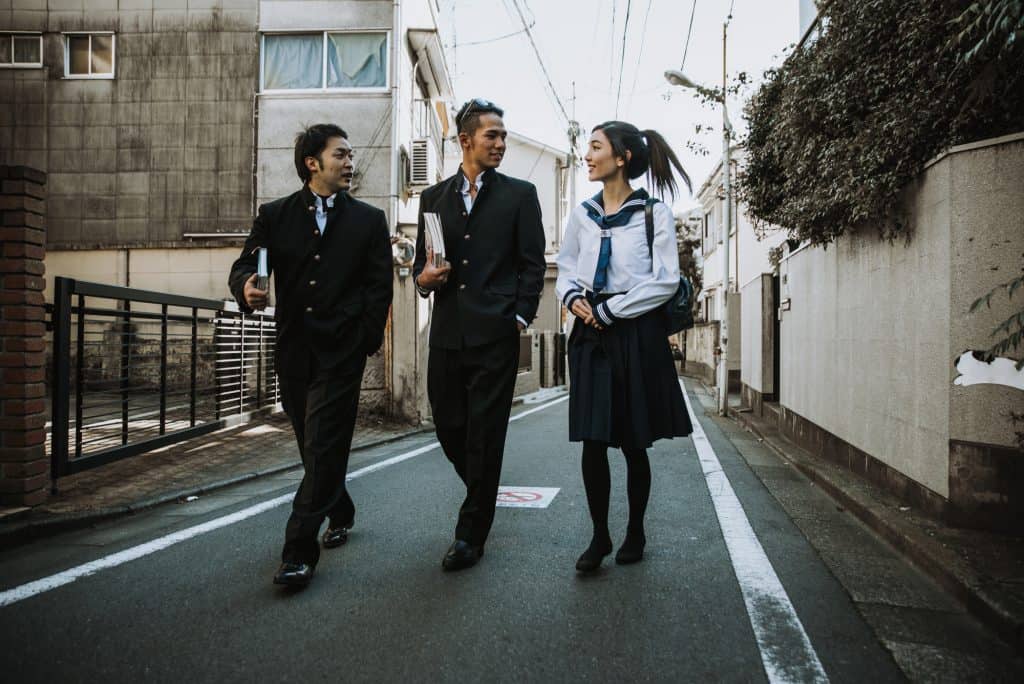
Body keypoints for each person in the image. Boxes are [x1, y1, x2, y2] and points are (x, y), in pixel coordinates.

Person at [228, 124, 393, 588]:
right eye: (341, 154)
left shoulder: (368, 220)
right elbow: (247, 263)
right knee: (310, 441)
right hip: (295, 348)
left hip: (343, 350)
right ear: (312, 163)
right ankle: (339, 506)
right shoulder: (275, 215)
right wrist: (245, 285)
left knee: (322, 442)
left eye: (351, 154)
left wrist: (364, 338)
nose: (350, 162)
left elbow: (379, 288)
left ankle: (298, 551)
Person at [413, 98, 546, 571]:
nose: (501, 144)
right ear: (466, 140)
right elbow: (419, 268)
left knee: (485, 436)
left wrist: (520, 317)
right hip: (447, 332)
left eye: (504, 136)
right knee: (449, 426)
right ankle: (482, 489)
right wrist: (424, 280)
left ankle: (470, 533)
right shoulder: (433, 199)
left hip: (496, 335)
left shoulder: (520, 195)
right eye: (493, 136)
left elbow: (533, 264)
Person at [555, 121, 694, 573]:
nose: (588, 155)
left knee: (634, 442)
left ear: (622, 158)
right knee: (592, 441)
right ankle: (599, 535)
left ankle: (636, 529)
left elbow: (665, 280)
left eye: (595, 147)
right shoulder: (582, 214)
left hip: (635, 333)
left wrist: (614, 312)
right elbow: (566, 269)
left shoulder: (654, 213)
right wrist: (575, 300)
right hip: (589, 335)